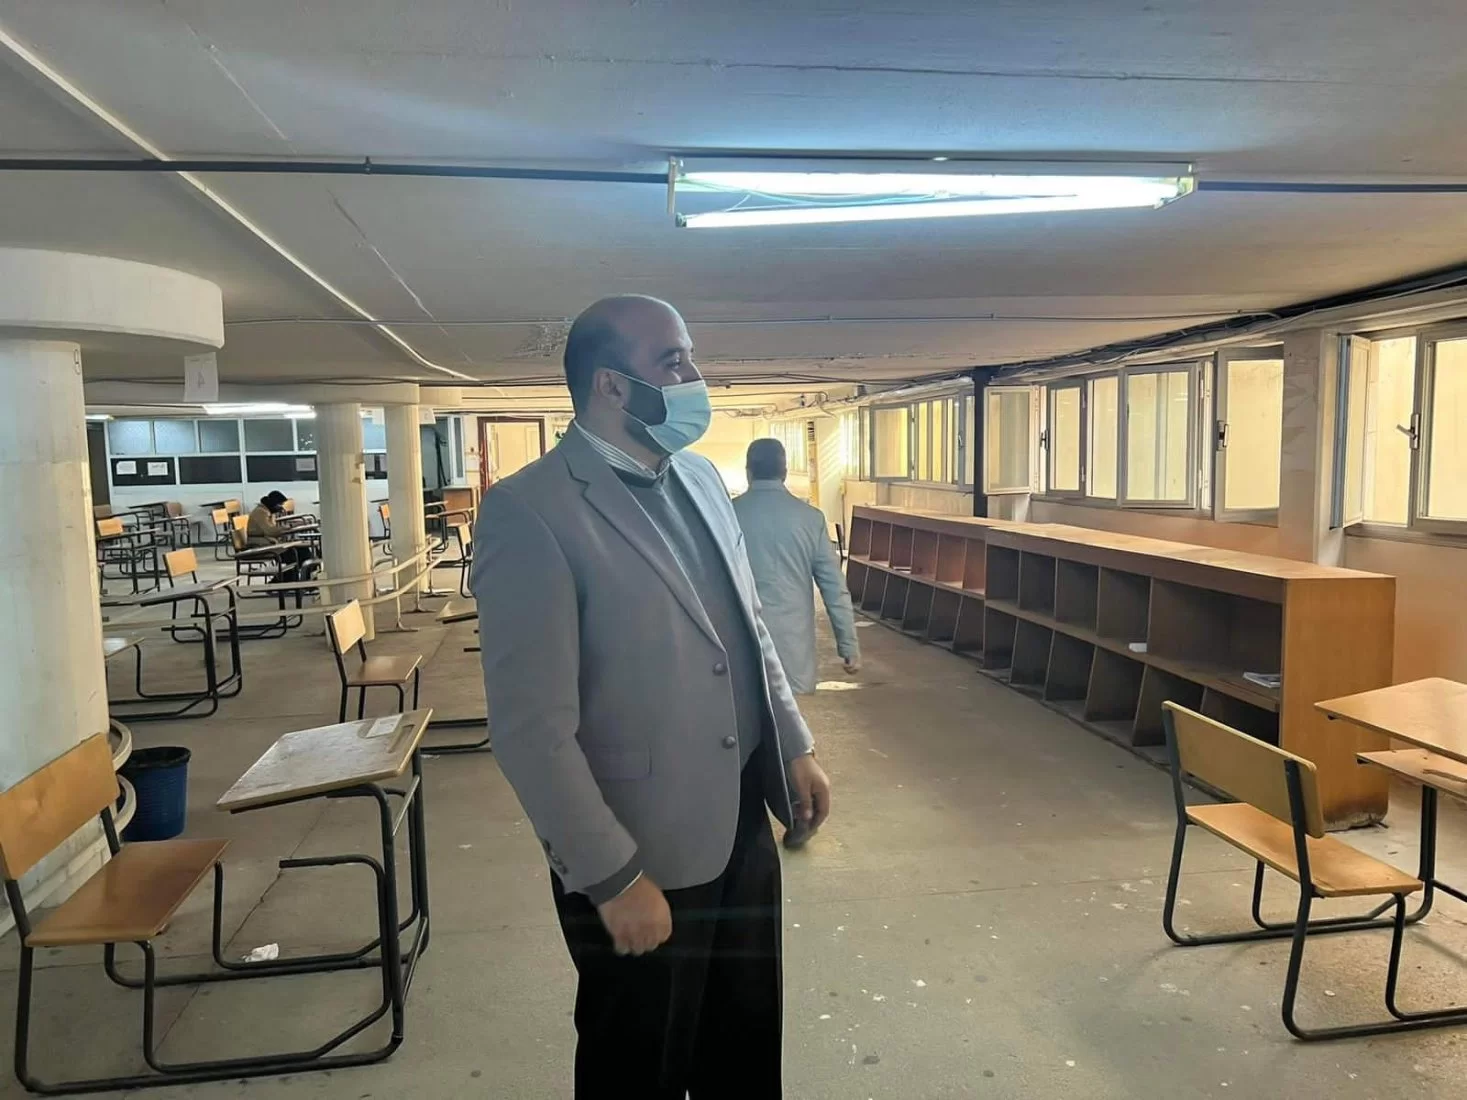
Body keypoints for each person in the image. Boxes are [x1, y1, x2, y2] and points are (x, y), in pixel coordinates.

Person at [471, 295, 831, 1098]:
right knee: (638, 1059)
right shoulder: (531, 512)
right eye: (673, 362)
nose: (695, 377)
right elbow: (531, 730)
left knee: (744, 1045)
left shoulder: (699, 478)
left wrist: (793, 743)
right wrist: (610, 876)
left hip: (738, 823)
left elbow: (747, 629)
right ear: (610, 385)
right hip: (640, 846)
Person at [732, 438, 861, 696]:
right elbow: (834, 588)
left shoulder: (727, 515)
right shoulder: (811, 519)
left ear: (748, 472)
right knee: (791, 713)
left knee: (745, 708)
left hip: (741, 641)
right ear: (785, 472)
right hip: (793, 646)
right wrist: (848, 645)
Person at [246, 491, 314, 582]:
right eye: (280, 505)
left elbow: (273, 529)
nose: (281, 507)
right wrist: (289, 526)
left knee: (303, 551)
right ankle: (285, 580)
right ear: (273, 503)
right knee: (292, 554)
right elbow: (271, 531)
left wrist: (289, 526)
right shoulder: (260, 512)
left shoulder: (268, 511)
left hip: (269, 542)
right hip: (260, 545)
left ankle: (305, 579)